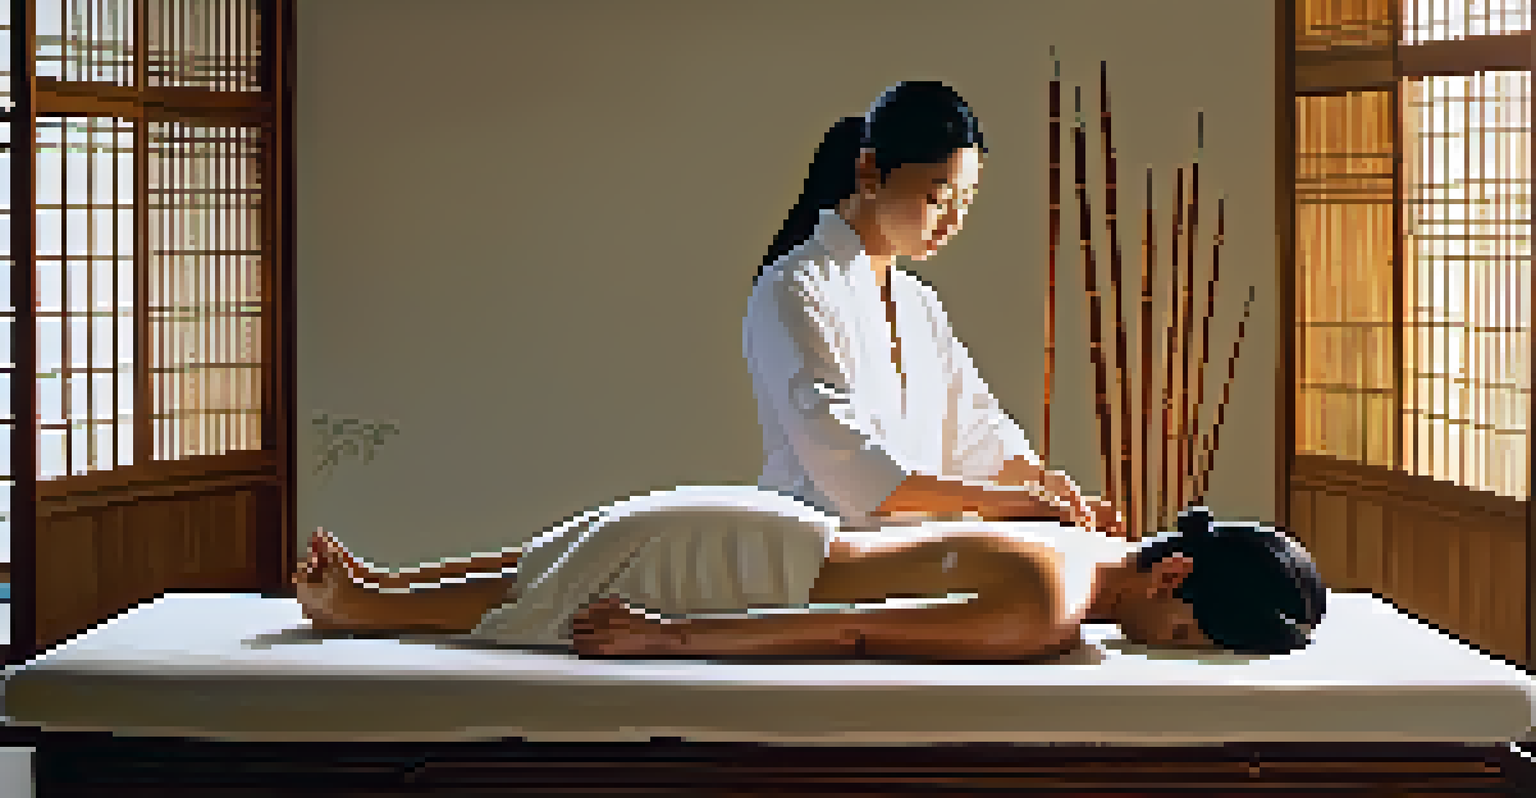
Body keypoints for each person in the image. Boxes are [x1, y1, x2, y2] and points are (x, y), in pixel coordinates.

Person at [294, 81, 1326, 661]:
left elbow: (975, 421)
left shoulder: (913, 302)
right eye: (936, 198)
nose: (949, 223)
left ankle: (376, 592)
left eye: (966, 205)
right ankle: (368, 604)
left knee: (562, 561)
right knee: (560, 576)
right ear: (871, 173)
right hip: (805, 535)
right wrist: (1010, 508)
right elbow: (851, 461)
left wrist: (1033, 485)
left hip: (843, 553)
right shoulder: (797, 288)